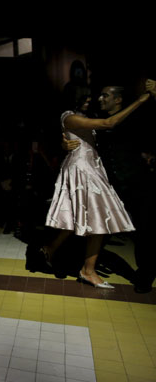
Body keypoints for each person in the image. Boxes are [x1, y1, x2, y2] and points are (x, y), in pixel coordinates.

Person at [42, 83, 153, 288]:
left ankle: (141, 275)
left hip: (124, 178)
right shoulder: (83, 117)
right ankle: (79, 264)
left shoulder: (126, 117)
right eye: (92, 96)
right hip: (94, 174)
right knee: (89, 220)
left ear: (118, 99)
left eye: (103, 96)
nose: (95, 99)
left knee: (135, 228)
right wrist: (63, 143)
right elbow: (99, 126)